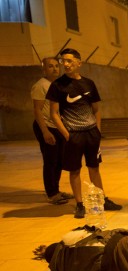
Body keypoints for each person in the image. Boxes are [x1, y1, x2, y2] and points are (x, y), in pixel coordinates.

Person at [46, 48, 122, 219]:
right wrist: (66, 134)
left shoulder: (89, 83)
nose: (65, 64)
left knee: (94, 168)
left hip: (91, 134)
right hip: (73, 135)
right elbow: (54, 113)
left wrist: (97, 130)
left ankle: (102, 200)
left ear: (79, 63)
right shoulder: (57, 85)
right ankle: (80, 204)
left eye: (69, 61)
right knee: (74, 170)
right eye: (63, 61)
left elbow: (96, 110)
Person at [31, 56, 74, 205]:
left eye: (56, 66)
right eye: (50, 66)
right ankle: (52, 193)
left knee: (59, 161)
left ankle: (56, 190)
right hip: (46, 126)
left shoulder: (58, 84)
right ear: (44, 69)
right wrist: (45, 132)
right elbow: (37, 110)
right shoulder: (41, 85)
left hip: (58, 126)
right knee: (50, 161)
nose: (55, 68)